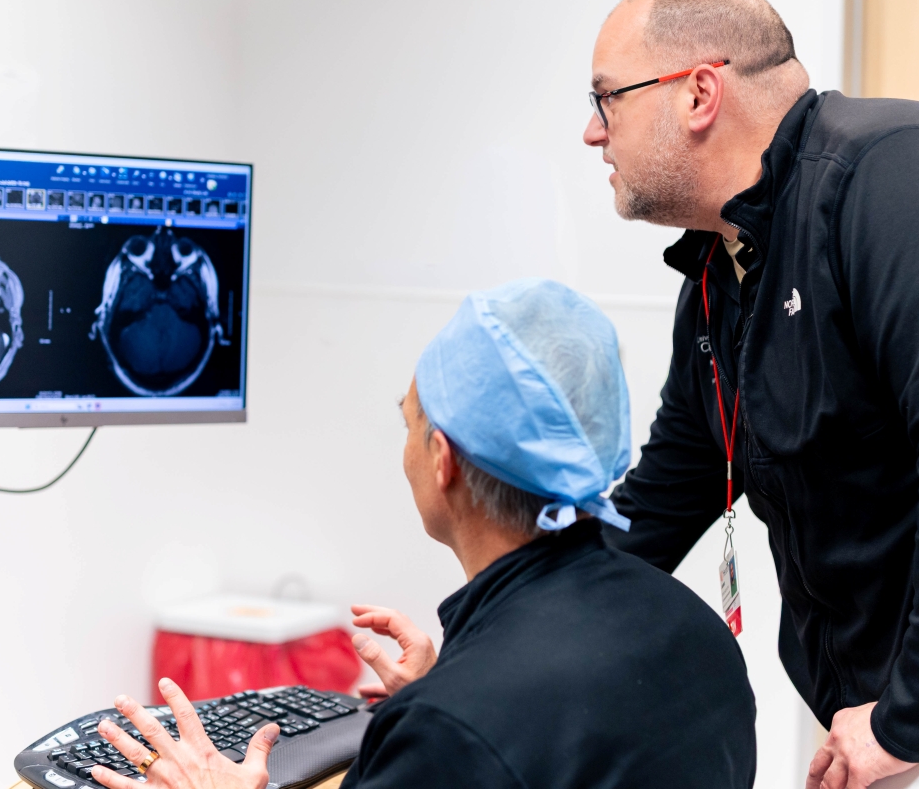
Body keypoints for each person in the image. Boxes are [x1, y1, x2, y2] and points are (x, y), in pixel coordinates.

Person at [584, 0, 919, 789]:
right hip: (900, 728)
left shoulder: (898, 177)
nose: (593, 133)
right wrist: (486, 644)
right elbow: (656, 507)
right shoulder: (723, 275)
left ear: (698, 93)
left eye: (607, 99)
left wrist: (908, 717)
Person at [87, 278, 757, 789]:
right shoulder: (696, 634)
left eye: (407, 421)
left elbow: (498, 735)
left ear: (442, 461)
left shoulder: (456, 729)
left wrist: (441, 722)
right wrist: (447, 694)